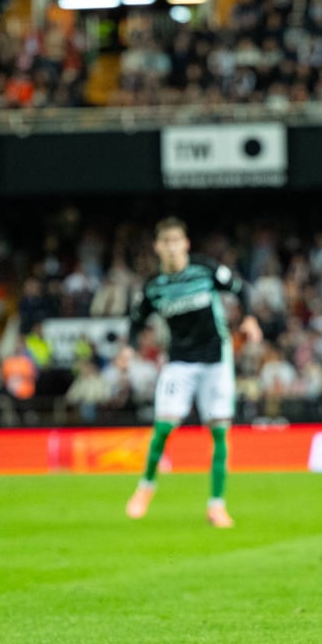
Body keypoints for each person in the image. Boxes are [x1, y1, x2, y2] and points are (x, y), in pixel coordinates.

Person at [124, 216, 263, 528]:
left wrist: (250, 318)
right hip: (180, 362)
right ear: (157, 247)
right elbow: (135, 320)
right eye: (166, 242)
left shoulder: (206, 270)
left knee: (219, 431)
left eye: (177, 241)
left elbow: (242, 290)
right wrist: (128, 348)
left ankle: (216, 505)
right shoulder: (154, 287)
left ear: (185, 244)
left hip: (216, 359)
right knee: (163, 427)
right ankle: (146, 486)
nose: (172, 248)